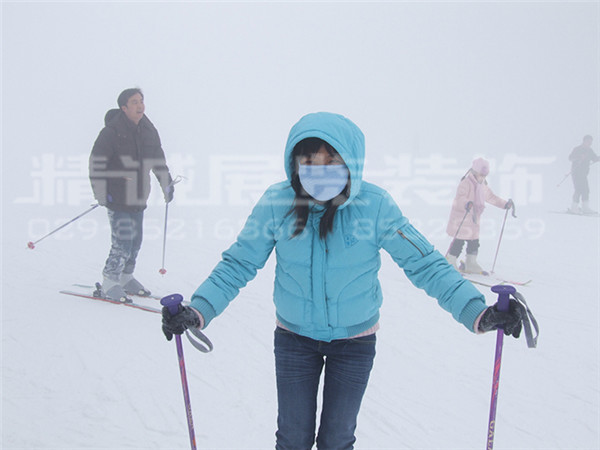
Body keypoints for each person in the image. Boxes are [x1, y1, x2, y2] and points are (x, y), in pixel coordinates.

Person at [161, 112, 523, 449]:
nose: (319, 171)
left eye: (331, 161)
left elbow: (425, 263)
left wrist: (476, 311)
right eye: (310, 162)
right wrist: (200, 309)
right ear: (295, 164)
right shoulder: (276, 202)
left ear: (350, 161)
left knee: (337, 439)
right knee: (292, 437)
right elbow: (239, 263)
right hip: (293, 339)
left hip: (354, 344)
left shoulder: (375, 206)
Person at [89, 88, 174, 302]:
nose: (140, 105)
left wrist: (166, 184)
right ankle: (110, 280)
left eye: (141, 101)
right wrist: (101, 194)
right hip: (116, 196)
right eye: (134, 102)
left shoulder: (148, 129)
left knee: (136, 240)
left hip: (138, 195)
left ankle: (126, 278)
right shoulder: (111, 132)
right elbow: (96, 164)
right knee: (123, 241)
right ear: (124, 108)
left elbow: (157, 159)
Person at [445, 158, 513, 274]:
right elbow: (460, 198)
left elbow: (491, 197)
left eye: (485, 175)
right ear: (474, 172)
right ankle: (450, 260)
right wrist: (467, 203)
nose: (483, 177)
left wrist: (504, 204)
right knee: (459, 241)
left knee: (474, 242)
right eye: (481, 174)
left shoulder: (482, 186)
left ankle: (471, 263)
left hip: (473, 219)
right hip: (462, 217)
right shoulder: (466, 183)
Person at [568, 135, 599, 214]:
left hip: (584, 174)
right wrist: (579, 157)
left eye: (591, 142)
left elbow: (595, 158)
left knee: (586, 189)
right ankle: (574, 207)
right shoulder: (577, 149)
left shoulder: (589, 150)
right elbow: (570, 158)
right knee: (578, 189)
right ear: (584, 141)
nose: (589, 143)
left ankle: (585, 208)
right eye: (588, 142)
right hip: (576, 172)